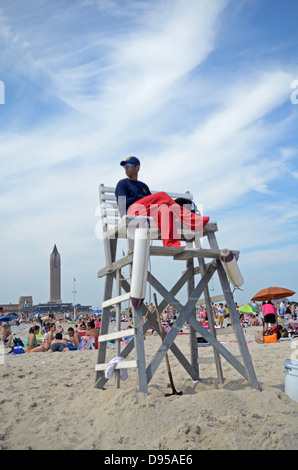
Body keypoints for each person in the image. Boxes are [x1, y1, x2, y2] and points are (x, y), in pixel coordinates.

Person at [115, 156, 210, 247]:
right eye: (124, 166)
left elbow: (152, 204)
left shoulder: (143, 186)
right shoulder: (122, 184)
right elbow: (123, 205)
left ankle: (171, 244)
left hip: (145, 213)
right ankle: (194, 221)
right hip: (131, 212)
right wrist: (140, 198)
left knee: (164, 208)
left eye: (129, 165)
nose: (126, 168)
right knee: (162, 196)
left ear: (137, 167)